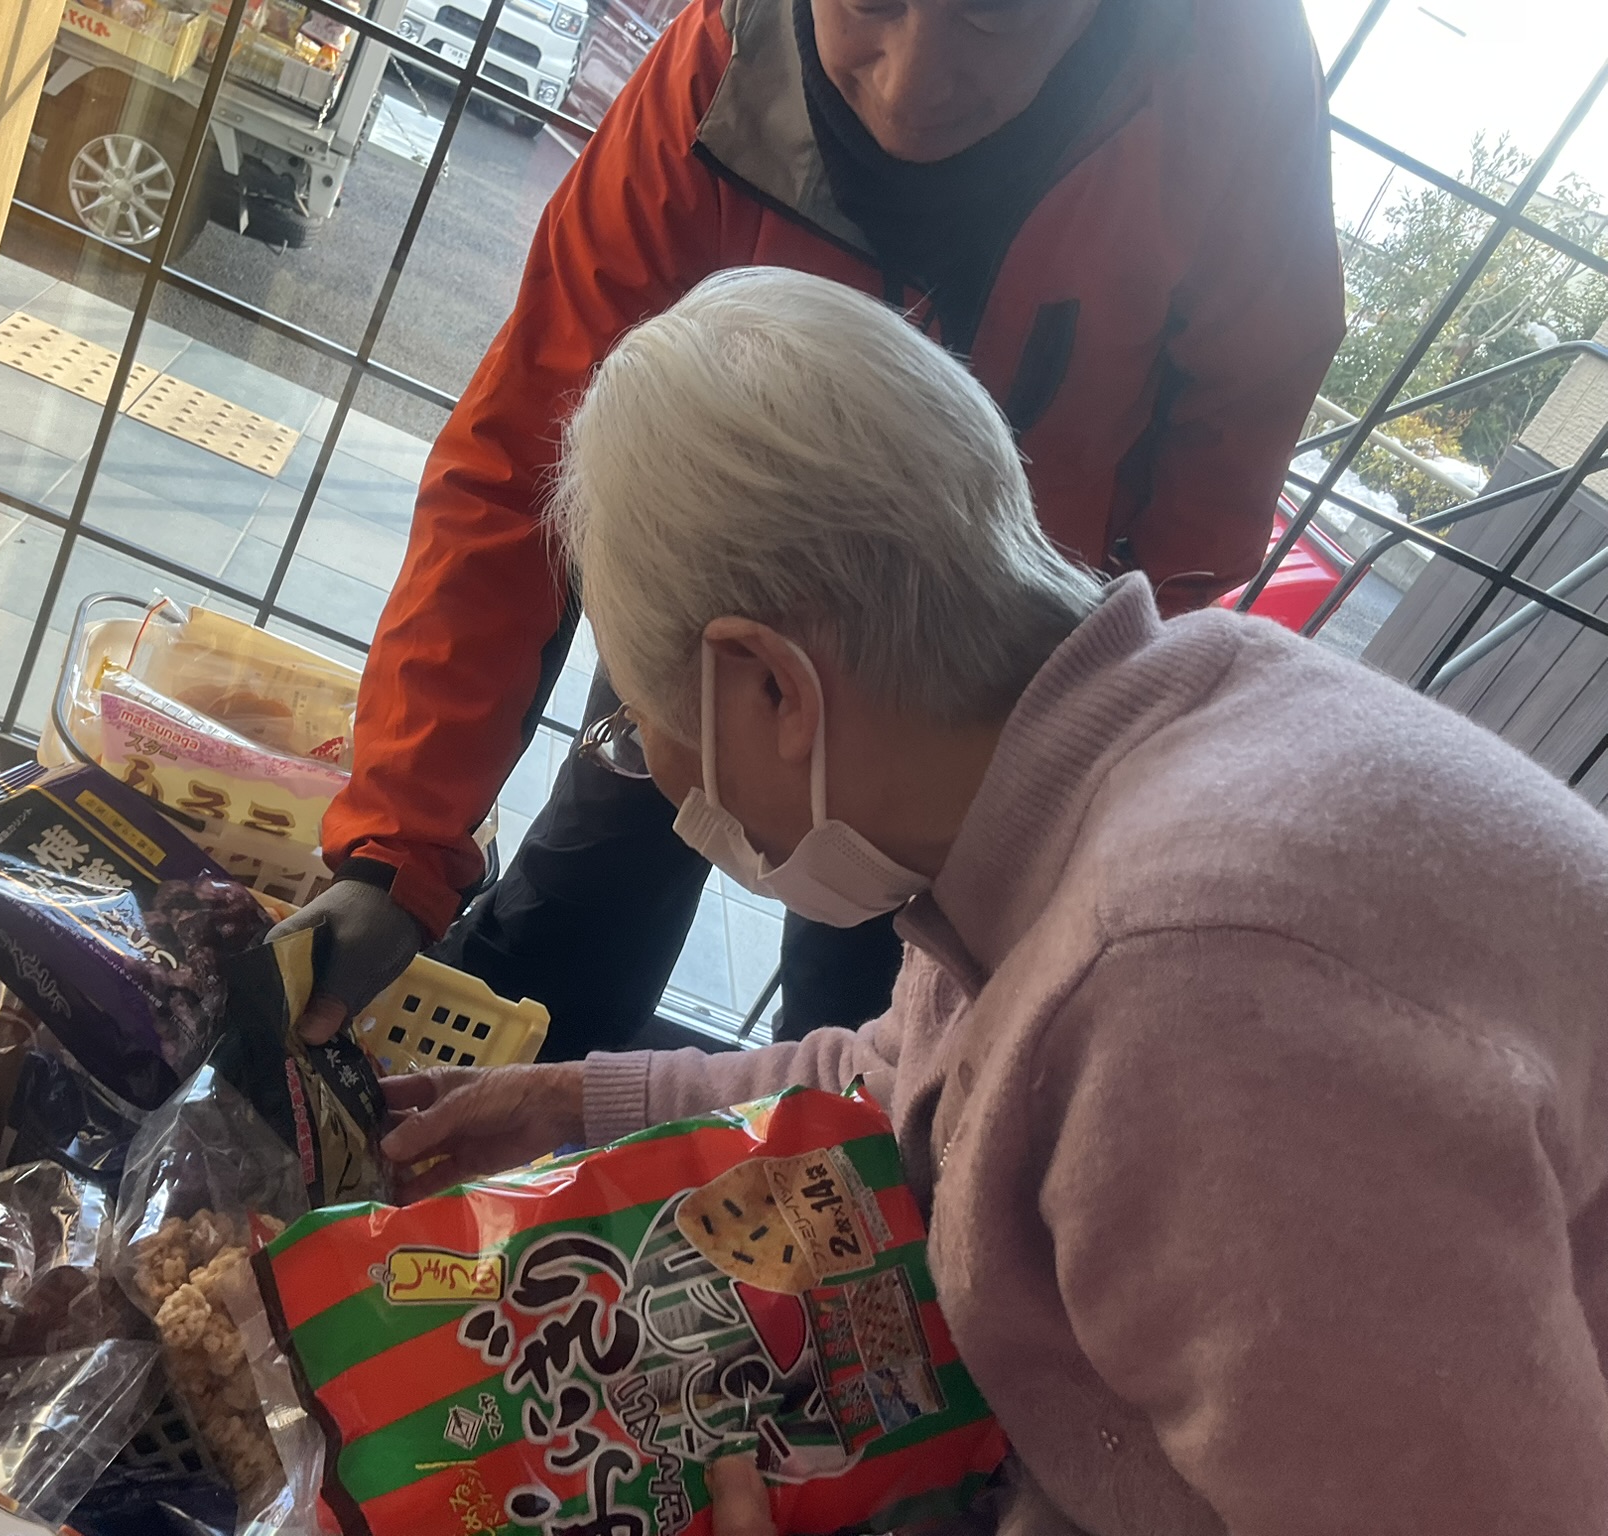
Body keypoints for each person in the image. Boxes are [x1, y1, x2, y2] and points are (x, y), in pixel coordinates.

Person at [350, 270, 1608, 1531]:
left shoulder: (1193, 993)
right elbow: (914, 1088)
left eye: (634, 727)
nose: (648, 766)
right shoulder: (1093, 751)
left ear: (770, 687)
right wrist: (578, 1107)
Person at [270, 0, 1346, 1054]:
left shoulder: (1232, 76)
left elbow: (1218, 469)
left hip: (978, 692)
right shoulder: (720, 64)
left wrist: (1060, 738)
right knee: (579, 905)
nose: (912, 88)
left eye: (994, 16)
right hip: (707, 609)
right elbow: (522, 461)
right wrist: (395, 854)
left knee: (883, 1029)